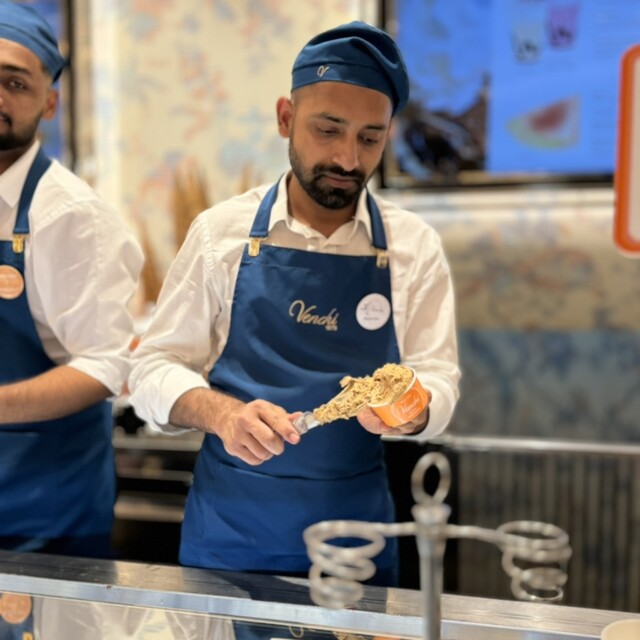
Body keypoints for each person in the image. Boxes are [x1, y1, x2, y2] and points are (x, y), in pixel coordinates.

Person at [129, 21, 460, 585]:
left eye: (369, 138)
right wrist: (222, 415)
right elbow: (151, 368)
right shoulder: (220, 234)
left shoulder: (413, 247)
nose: (348, 159)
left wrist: (413, 409)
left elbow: (438, 375)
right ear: (286, 117)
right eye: (328, 130)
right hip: (231, 537)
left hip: (355, 542)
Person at [0, 1, 143, 558]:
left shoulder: (71, 216)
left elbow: (105, 366)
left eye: (15, 82)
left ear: (50, 102)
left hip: (41, 516)